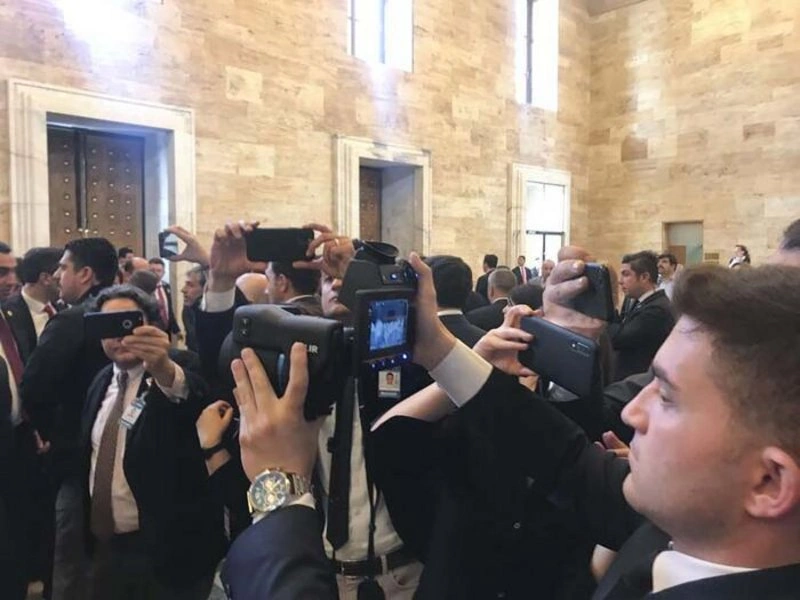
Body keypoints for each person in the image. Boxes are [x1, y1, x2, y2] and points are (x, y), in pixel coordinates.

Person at [225, 256, 800, 600]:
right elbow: (567, 458)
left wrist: (280, 491)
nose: (632, 411)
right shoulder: (685, 523)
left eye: (667, 397)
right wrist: (440, 349)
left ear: (769, 482)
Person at [62, 285, 222, 599]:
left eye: (129, 323)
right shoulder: (100, 381)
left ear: (152, 326)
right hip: (107, 549)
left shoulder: (181, 367)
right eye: (109, 325)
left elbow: (190, 396)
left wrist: (163, 369)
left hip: (166, 551)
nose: (121, 336)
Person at [20, 237, 118, 600]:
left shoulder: (71, 321)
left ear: (86, 273)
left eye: (64, 267)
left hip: (74, 457)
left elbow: (33, 386)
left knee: (70, 561)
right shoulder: (132, 314)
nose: (59, 275)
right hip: (121, 455)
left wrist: (53, 432)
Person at [610, 251, 674, 381]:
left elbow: (618, 339)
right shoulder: (638, 301)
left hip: (638, 382)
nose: (620, 281)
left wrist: (606, 307)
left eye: (626, 274)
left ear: (644, 277)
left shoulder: (656, 310)